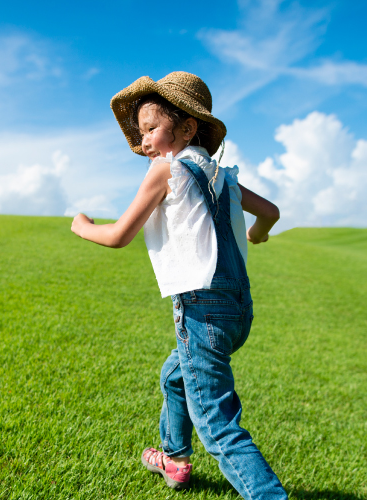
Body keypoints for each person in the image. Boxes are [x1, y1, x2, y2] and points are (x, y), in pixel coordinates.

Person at [71, 72, 287, 499]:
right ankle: (174, 456)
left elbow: (118, 236)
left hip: (201, 312)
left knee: (219, 427)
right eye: (140, 132)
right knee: (175, 376)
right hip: (238, 312)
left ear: (187, 128)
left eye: (151, 129)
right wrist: (256, 234)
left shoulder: (164, 169)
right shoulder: (223, 176)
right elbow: (272, 211)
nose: (144, 140)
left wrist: (81, 227)